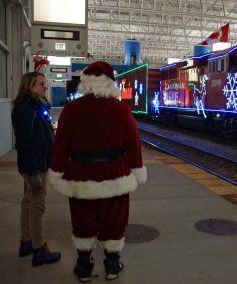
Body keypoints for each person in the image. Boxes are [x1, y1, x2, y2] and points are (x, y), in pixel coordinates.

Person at [48, 61, 147, 282]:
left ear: (86, 83)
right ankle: (112, 265)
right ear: (111, 83)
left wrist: (56, 171)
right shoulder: (121, 110)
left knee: (82, 219)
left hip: (81, 175)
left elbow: (61, 144)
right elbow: (133, 143)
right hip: (115, 174)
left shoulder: (71, 110)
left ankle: (84, 265)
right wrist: (136, 168)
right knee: (115, 219)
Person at [11, 72, 61, 267]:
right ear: (29, 86)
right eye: (41, 84)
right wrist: (33, 172)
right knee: (37, 205)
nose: (45, 87)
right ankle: (39, 249)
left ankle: (26, 242)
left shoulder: (33, 106)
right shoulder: (25, 109)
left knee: (27, 202)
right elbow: (25, 143)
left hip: (37, 162)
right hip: (35, 165)